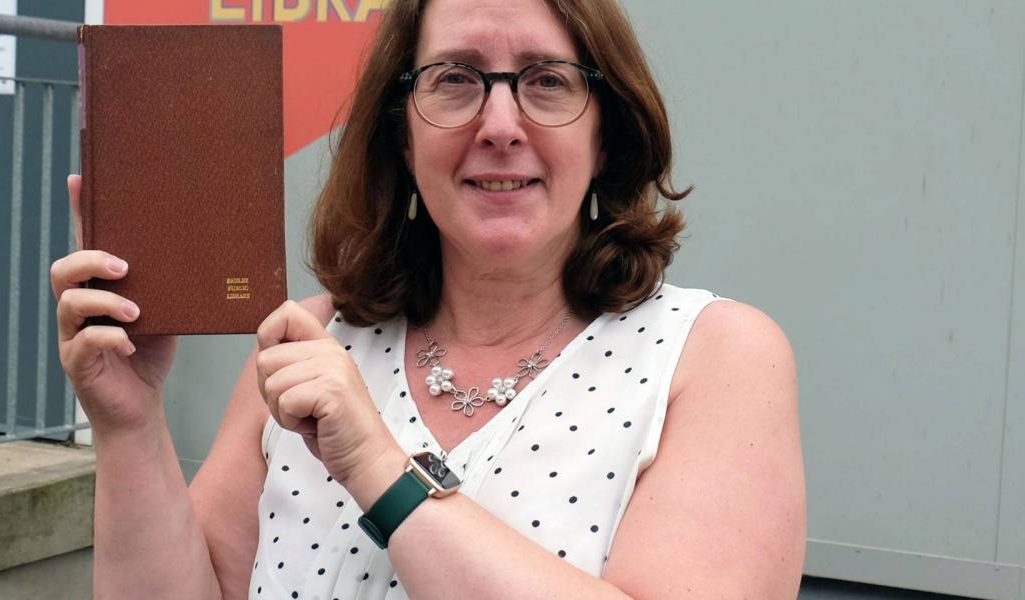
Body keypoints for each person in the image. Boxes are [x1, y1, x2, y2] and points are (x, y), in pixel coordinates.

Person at [50, 0, 807, 597]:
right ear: (401, 138)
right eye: (455, 80)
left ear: (605, 136)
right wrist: (130, 427)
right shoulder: (308, 343)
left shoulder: (712, 355)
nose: (501, 126)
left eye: (548, 80)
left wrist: (381, 469)